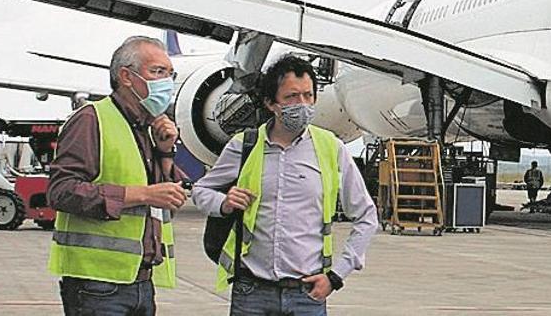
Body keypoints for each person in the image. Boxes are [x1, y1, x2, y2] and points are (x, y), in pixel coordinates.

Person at [193, 54, 378, 316]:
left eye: (308, 95)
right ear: (271, 103)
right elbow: (201, 191)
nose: (302, 105)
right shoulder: (245, 145)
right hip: (252, 292)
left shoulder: (331, 148)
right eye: (292, 97)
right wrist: (223, 203)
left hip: (307, 293)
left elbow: (366, 217)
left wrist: (336, 276)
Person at [47, 36, 187, 316]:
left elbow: (171, 194)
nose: (166, 83)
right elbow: (62, 191)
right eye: (157, 72)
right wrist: (142, 194)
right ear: (126, 76)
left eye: (170, 75)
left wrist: (165, 152)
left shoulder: (146, 128)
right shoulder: (91, 119)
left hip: (141, 281)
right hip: (98, 284)